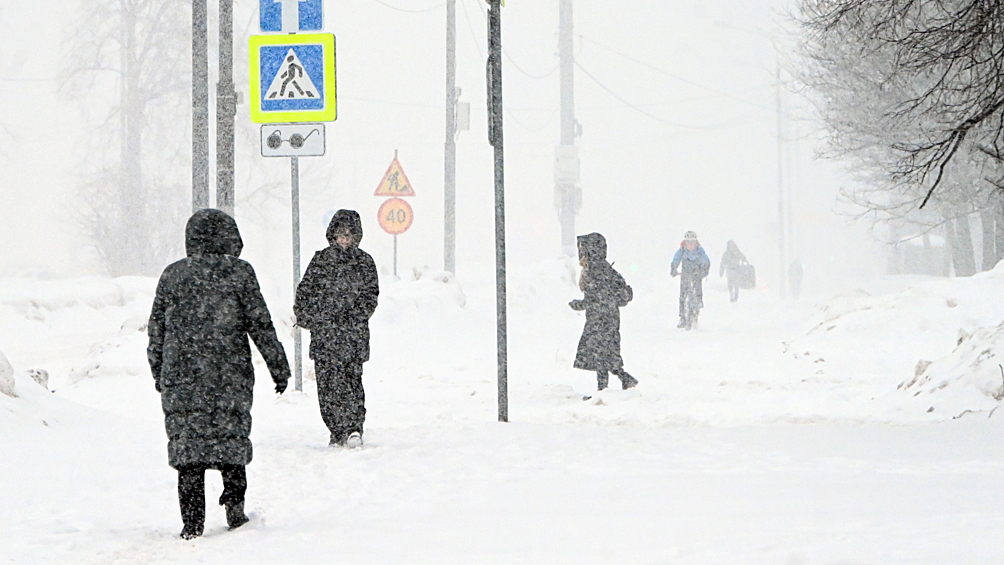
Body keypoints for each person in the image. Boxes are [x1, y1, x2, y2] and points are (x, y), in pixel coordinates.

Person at [147, 209, 291, 540]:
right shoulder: (239, 273)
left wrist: (159, 371)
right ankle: (235, 509)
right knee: (231, 441)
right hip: (230, 375)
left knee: (189, 452)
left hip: (182, 378)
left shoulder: (173, 276)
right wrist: (278, 367)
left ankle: (192, 522)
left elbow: (157, 329)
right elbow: (260, 323)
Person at [294, 210, 379, 448]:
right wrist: (311, 317)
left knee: (351, 382)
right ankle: (336, 429)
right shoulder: (321, 261)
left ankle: (353, 427)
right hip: (325, 337)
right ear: (333, 235)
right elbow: (305, 293)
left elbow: (370, 297)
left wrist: (351, 318)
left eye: (349, 235)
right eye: (340, 234)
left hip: (352, 337)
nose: (344, 239)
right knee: (327, 386)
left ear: (356, 236)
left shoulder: (364, 262)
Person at [569, 233, 639, 391]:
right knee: (606, 353)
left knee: (600, 354)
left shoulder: (596, 270)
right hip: (607, 317)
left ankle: (605, 389)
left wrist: (580, 305)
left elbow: (596, 297)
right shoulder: (603, 267)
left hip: (600, 318)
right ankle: (622, 380)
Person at [671, 230, 711, 328]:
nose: (691, 245)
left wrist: (704, 270)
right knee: (683, 295)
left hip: (696, 274)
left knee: (697, 289)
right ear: (685, 243)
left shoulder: (699, 251)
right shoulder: (682, 251)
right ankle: (682, 318)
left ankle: (698, 302)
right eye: (688, 242)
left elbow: (706, 260)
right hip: (685, 274)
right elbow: (676, 259)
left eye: (692, 242)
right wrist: (673, 269)